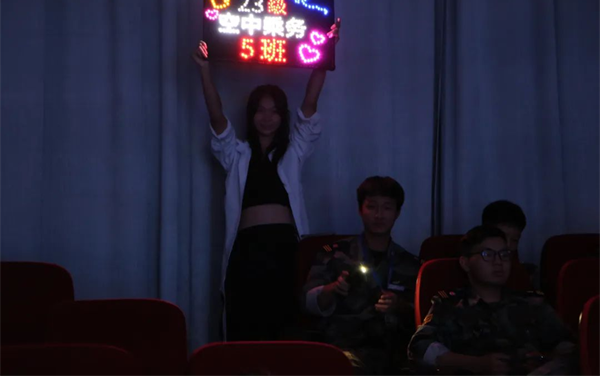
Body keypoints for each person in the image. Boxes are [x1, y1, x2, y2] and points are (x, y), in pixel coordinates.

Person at [192, 19, 341, 341]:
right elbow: (217, 118)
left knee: (284, 325)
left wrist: (324, 56)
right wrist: (204, 70)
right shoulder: (237, 154)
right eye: (260, 110)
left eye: (274, 111)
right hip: (247, 251)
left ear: (282, 115)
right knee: (246, 325)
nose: (267, 117)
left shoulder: (293, 151)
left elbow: (309, 105)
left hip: (285, 249)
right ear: (251, 114)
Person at [408, 225, 576, 376]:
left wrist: (544, 359)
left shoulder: (531, 304)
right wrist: (476, 364)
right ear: (465, 263)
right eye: (487, 255)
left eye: (504, 255)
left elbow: (569, 346)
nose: (498, 262)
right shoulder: (450, 305)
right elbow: (419, 347)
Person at [303, 176, 420, 376]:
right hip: (344, 348)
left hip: (394, 352)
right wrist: (333, 288)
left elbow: (424, 317)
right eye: (372, 207)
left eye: (387, 208)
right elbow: (308, 302)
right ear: (360, 210)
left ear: (397, 213)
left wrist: (398, 305)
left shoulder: (412, 264)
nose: (379, 215)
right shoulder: (334, 254)